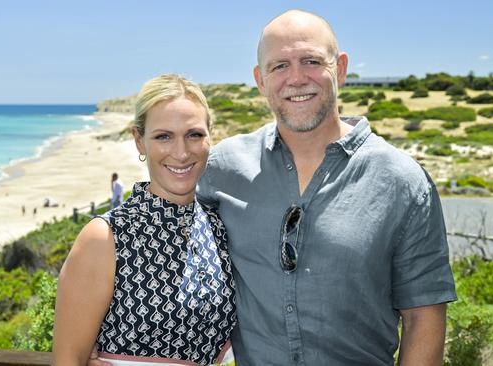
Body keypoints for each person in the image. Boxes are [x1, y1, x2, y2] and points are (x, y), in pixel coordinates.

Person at [194, 10, 456, 365]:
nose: (297, 78)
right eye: (279, 66)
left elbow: (423, 317)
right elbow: (156, 246)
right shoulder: (220, 169)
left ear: (341, 68)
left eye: (311, 61)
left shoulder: (404, 182)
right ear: (260, 79)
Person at [53, 74, 236, 366]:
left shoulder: (219, 227)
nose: (181, 152)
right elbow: (67, 361)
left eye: (194, 135)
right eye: (163, 136)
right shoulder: (106, 237)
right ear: (139, 141)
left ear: (210, 136)